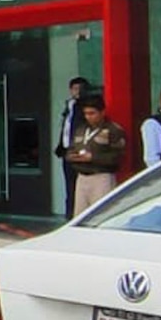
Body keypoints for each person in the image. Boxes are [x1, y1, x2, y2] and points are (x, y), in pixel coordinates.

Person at [65, 94, 128, 215]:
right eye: (86, 113)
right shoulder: (81, 129)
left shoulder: (113, 130)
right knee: (80, 215)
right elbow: (71, 149)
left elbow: (118, 157)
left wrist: (92, 158)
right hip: (82, 177)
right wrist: (72, 156)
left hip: (101, 177)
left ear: (102, 112)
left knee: (101, 214)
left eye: (92, 113)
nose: (88, 117)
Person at [52, 76, 91, 218]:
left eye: (81, 89)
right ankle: (70, 213)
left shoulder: (85, 107)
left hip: (80, 149)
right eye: (75, 89)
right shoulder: (69, 105)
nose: (77, 92)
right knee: (69, 183)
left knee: (80, 183)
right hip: (68, 149)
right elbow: (66, 128)